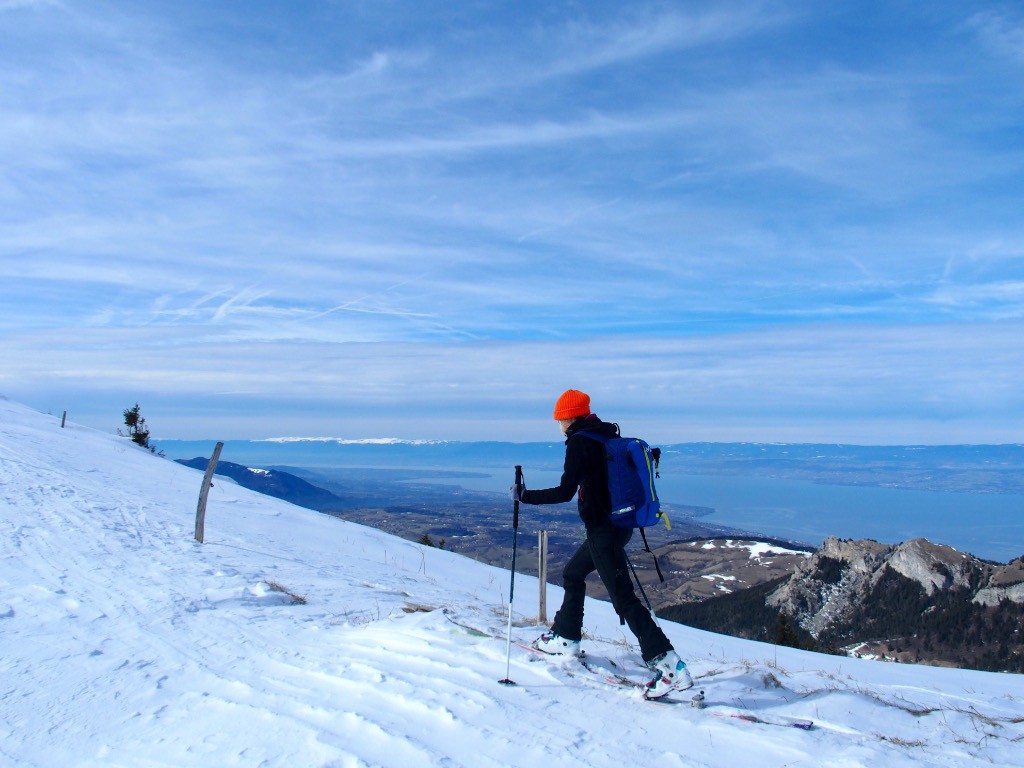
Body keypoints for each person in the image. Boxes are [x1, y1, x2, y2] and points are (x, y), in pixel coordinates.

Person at [511, 389, 693, 699]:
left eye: (558, 419)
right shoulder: (606, 435)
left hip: (603, 530)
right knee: (572, 574)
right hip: (620, 526)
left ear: (568, 417)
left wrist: (525, 496)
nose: (557, 425)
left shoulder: (580, 443)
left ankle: (669, 666)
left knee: (623, 599)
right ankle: (566, 637)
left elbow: (565, 491)